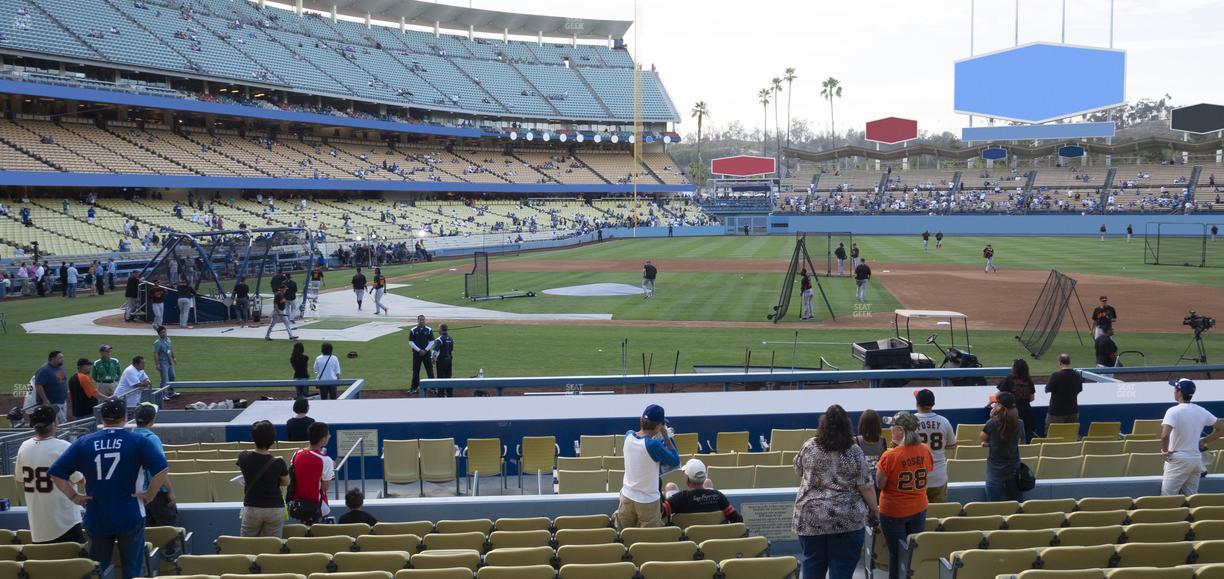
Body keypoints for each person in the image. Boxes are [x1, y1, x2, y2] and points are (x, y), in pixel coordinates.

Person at [49, 398, 168, 579]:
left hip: (97, 513)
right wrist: (150, 494)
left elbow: (56, 473)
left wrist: (74, 497)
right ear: (124, 417)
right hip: (130, 512)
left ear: (102, 417)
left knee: (99, 570)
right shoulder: (138, 441)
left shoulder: (84, 441)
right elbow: (162, 468)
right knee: (133, 570)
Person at [793, 404, 878, 579]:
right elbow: (866, 486)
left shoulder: (809, 446)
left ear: (823, 424)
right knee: (842, 570)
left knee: (812, 566)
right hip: (847, 519)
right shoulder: (854, 451)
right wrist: (874, 510)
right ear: (847, 426)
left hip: (811, 517)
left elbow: (798, 470)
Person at [15, 405, 85, 544]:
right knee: (74, 558)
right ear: (54, 423)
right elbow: (80, 479)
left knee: (46, 558)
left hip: (38, 526)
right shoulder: (63, 446)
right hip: (66, 522)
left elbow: (20, 480)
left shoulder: (24, 447)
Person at [876, 411, 934, 579]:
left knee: (896, 554)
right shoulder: (925, 449)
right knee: (911, 554)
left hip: (894, 511)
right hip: (919, 509)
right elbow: (927, 471)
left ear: (900, 430)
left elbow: (880, 484)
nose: (890, 429)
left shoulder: (890, 455)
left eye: (892, 426)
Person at [614, 404, 679, 530]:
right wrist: (666, 436)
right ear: (659, 425)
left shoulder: (628, 435)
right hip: (648, 502)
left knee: (624, 535)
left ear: (641, 420)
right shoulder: (653, 444)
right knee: (649, 538)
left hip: (627, 497)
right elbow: (675, 461)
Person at [1161, 379, 1224, 496]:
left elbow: (1165, 436)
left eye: (1175, 389)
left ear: (1179, 392)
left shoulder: (1172, 411)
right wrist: (1205, 441)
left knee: (1167, 498)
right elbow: (1222, 428)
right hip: (1195, 460)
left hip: (1178, 460)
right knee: (1191, 498)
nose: (1174, 391)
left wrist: (1164, 452)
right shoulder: (1201, 411)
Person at [237, 420, 289, 537]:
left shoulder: (243, 457)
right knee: (272, 544)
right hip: (275, 507)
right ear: (272, 440)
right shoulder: (279, 462)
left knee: (247, 543)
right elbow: (286, 482)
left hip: (252, 506)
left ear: (254, 438)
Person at [133, 404, 176, 526]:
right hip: (156, 495)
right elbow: (160, 470)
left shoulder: (129, 438)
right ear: (152, 420)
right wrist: (170, 490)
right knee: (168, 531)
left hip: (136, 494)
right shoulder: (152, 439)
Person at [661, 458, 743, 523]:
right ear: (704, 477)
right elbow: (737, 519)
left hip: (686, 538)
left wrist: (660, 494)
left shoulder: (678, 499)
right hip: (713, 538)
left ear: (687, 479)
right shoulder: (718, 496)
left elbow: (660, 513)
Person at [913, 389, 956, 504]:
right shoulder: (944, 421)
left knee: (919, 513)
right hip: (939, 475)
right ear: (933, 404)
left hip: (917, 476)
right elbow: (952, 446)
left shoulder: (910, 422)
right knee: (940, 513)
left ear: (917, 403)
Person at [980, 392, 1024, 502]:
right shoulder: (1020, 423)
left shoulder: (992, 423)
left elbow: (982, 437)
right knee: (1017, 503)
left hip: (995, 470)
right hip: (1014, 467)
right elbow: (1020, 441)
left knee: (993, 504)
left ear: (1000, 406)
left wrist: (991, 417)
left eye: (996, 404)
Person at [288, 422, 334, 524]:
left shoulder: (297, 454)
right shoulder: (326, 460)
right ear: (323, 440)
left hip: (299, 506)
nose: (330, 436)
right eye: (328, 435)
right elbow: (325, 488)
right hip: (318, 508)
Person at [997, 359, 1036, 443]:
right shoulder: (1029, 380)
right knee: (1025, 438)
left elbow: (998, 395)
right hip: (1027, 413)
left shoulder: (1009, 379)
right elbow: (1032, 398)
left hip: (1011, 414)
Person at [1044, 354, 1083, 434]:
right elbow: (1079, 389)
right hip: (1072, 410)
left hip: (1056, 412)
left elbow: (1047, 389)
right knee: (1071, 436)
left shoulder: (1056, 375)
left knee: (1053, 436)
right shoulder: (1077, 375)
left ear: (1060, 363)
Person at [34, 351, 69, 424]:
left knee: (62, 422)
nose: (62, 359)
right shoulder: (44, 370)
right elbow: (38, 385)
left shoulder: (61, 367)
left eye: (62, 357)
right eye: (60, 358)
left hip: (62, 401)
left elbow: (63, 381)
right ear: (53, 359)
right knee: (61, 422)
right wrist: (45, 399)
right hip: (52, 402)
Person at [409, 315, 435, 394]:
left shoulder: (429, 330)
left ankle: (433, 387)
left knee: (430, 370)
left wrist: (425, 350)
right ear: (417, 320)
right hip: (417, 354)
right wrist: (419, 350)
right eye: (420, 320)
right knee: (416, 371)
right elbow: (410, 342)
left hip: (427, 353)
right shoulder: (413, 330)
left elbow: (432, 341)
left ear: (425, 320)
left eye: (423, 320)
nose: (422, 321)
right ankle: (414, 388)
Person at [153, 326, 179, 400]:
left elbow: (170, 349)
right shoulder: (157, 343)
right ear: (159, 334)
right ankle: (163, 395)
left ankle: (171, 392)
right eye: (162, 333)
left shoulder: (168, 339)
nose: (164, 334)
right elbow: (156, 354)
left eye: (164, 332)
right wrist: (157, 364)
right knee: (164, 379)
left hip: (169, 361)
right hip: (163, 362)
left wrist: (174, 357)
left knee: (172, 376)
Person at [432, 324, 455, 396]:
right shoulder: (451, 338)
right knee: (448, 377)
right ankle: (449, 394)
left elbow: (434, 351)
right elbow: (451, 350)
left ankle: (441, 394)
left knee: (441, 377)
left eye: (438, 328)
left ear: (441, 329)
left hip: (441, 361)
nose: (438, 330)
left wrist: (433, 359)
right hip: (449, 360)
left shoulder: (439, 339)